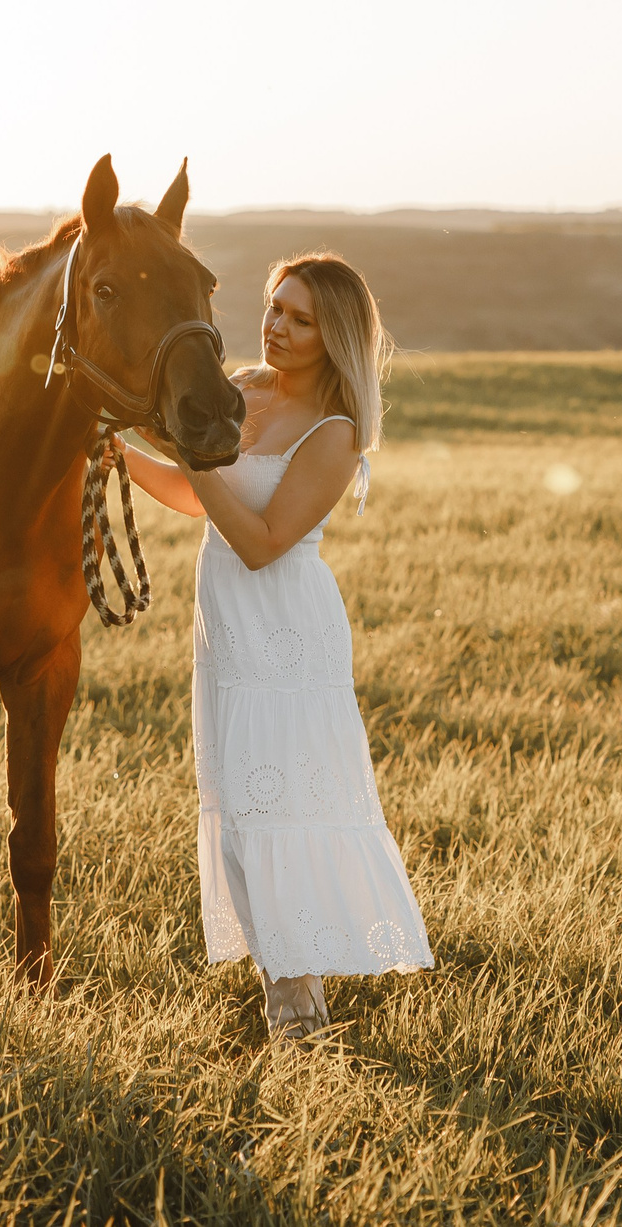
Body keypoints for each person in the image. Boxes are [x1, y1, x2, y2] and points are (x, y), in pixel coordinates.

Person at [123, 253, 434, 1042]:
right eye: (274, 307)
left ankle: (295, 1000)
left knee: (277, 805)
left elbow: (261, 540)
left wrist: (195, 456)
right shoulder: (243, 389)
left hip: (287, 635)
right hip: (225, 629)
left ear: (333, 335)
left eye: (300, 317)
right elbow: (199, 499)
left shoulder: (336, 433)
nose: (278, 326)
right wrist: (121, 457)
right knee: (235, 807)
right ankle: (283, 976)